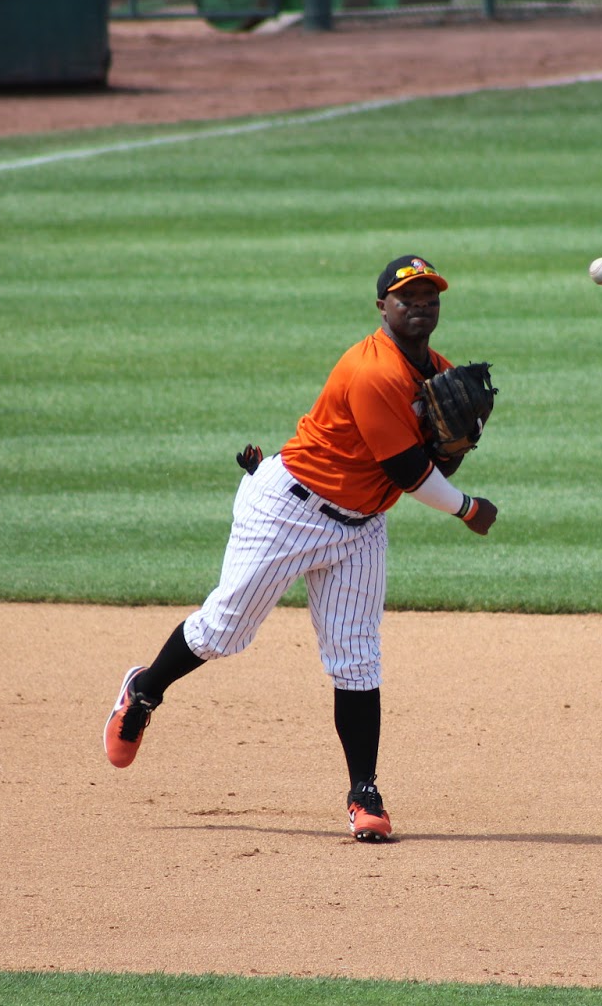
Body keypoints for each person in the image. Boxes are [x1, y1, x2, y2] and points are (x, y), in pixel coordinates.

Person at [103, 254, 498, 840]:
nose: (420, 306)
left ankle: (365, 794)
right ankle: (143, 691)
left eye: (430, 297)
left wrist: (459, 444)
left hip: (361, 525)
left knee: (356, 658)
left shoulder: (434, 372)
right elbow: (412, 474)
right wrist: (469, 507)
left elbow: (434, 456)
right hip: (290, 510)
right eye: (407, 297)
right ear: (383, 306)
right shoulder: (373, 372)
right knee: (222, 633)